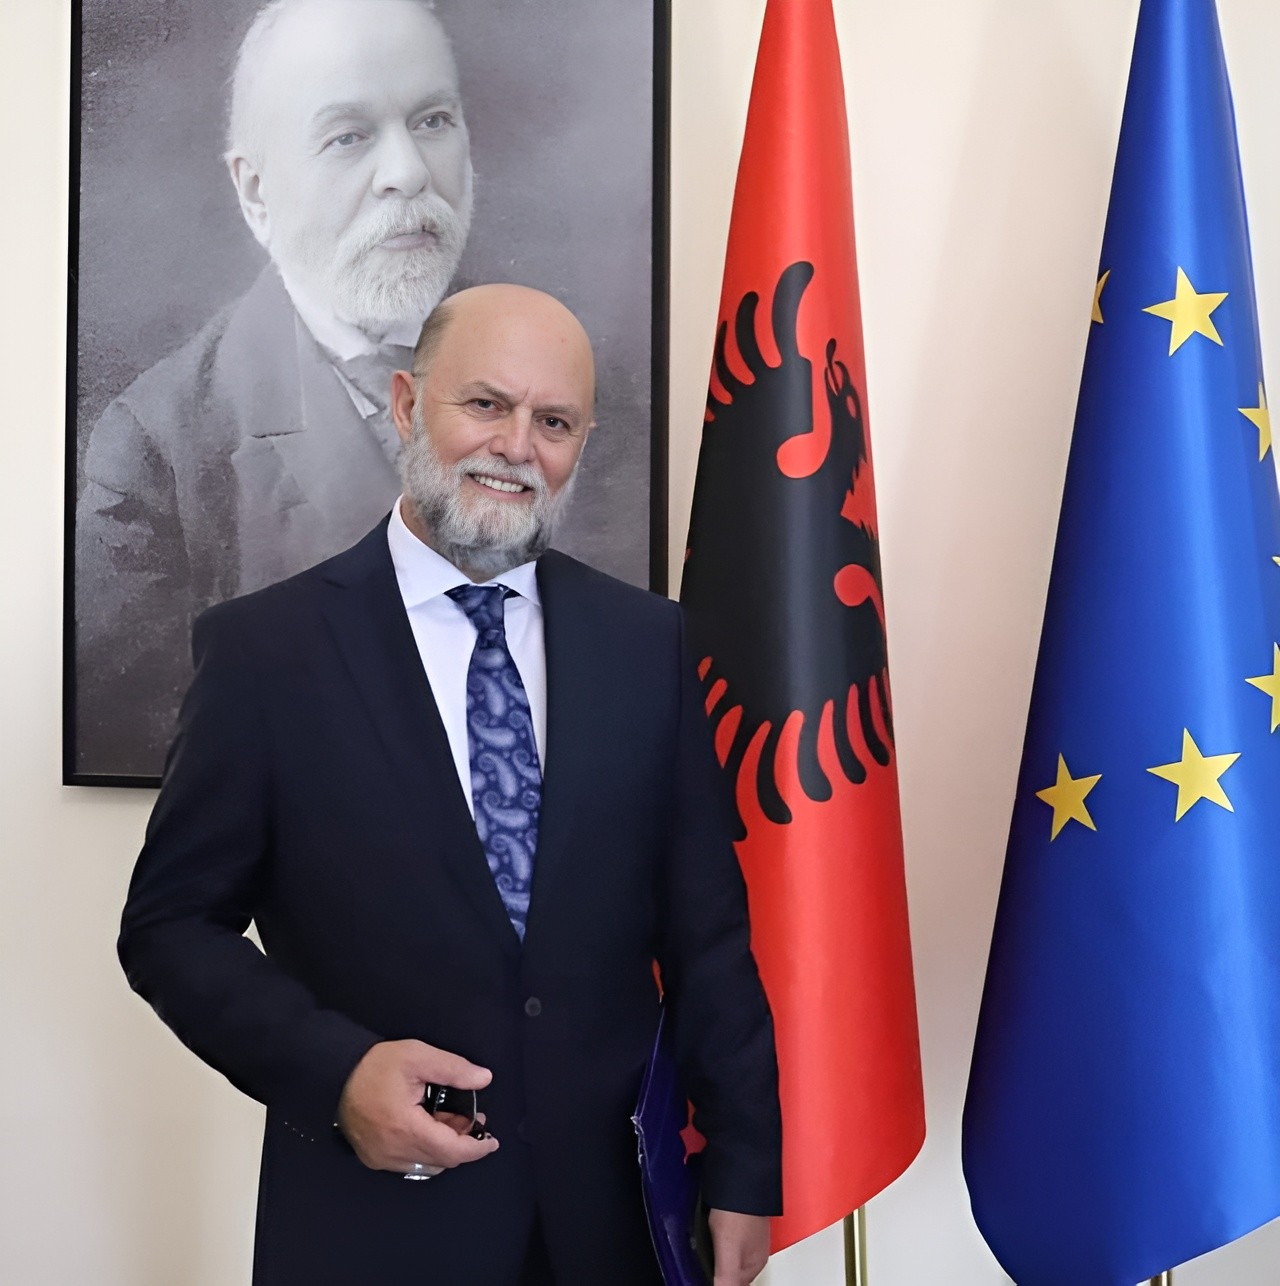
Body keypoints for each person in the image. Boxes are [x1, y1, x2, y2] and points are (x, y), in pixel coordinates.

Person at [118, 284, 782, 1285]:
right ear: (404, 404)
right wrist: (337, 1072)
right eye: (485, 404)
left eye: (553, 421)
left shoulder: (647, 643)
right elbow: (170, 926)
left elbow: (708, 937)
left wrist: (744, 1167)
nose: (516, 446)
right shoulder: (265, 653)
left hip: (612, 1226)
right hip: (369, 1227)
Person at [74, 0, 473, 775]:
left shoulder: (575, 388)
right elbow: (151, 751)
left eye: (433, 121)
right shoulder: (154, 452)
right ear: (256, 193)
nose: (409, 172)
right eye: (348, 136)